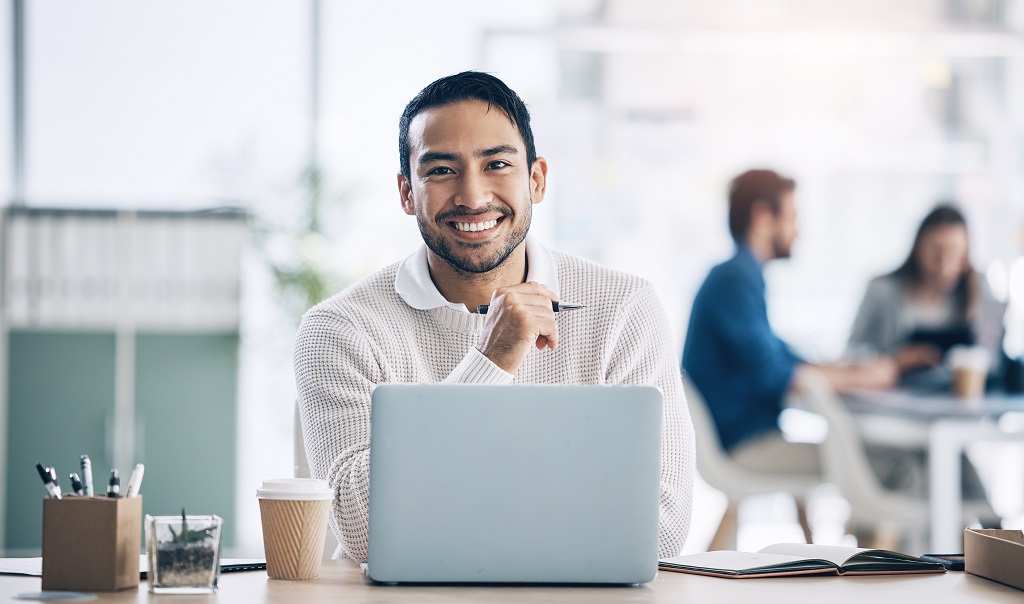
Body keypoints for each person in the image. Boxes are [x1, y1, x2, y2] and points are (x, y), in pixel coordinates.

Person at [293, 71, 695, 563]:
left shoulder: (624, 308)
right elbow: (365, 532)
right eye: (441, 170)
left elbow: (660, 526)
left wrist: (438, 511)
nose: (473, 196)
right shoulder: (339, 330)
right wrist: (491, 358)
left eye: (497, 164)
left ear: (537, 179)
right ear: (405, 192)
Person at [681, 169, 897, 475]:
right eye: (792, 217)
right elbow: (775, 375)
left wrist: (850, 370)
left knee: (862, 456)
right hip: (743, 446)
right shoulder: (735, 279)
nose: (797, 231)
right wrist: (864, 379)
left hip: (743, 438)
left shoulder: (739, 275)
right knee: (884, 464)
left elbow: (781, 357)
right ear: (763, 217)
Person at [847, 204, 1006, 379]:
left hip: (957, 395)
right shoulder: (882, 290)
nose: (944, 263)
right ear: (918, 248)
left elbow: (992, 358)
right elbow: (850, 353)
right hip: (894, 394)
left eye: (954, 252)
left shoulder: (979, 288)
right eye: (936, 252)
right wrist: (894, 359)